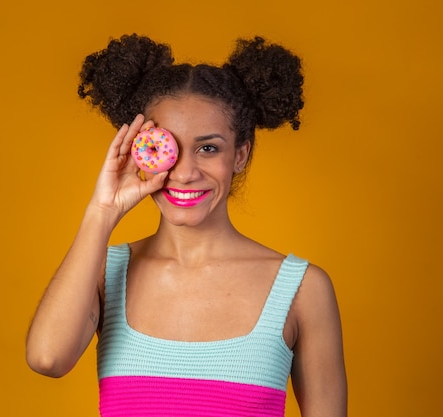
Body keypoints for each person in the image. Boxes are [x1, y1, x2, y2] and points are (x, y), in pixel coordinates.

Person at [26, 34, 347, 417]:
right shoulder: (104, 274)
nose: (185, 173)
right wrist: (102, 211)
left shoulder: (303, 289)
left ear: (240, 155)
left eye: (208, 148)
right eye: (166, 147)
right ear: (138, 150)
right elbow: (47, 358)